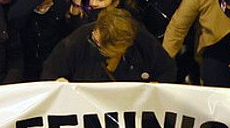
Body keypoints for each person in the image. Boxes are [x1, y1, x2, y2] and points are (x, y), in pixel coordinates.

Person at [43, 6, 176, 82]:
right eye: (95, 38)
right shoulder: (75, 42)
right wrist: (58, 83)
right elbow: (50, 75)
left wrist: (158, 87)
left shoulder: (141, 40)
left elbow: (167, 69)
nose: (94, 38)